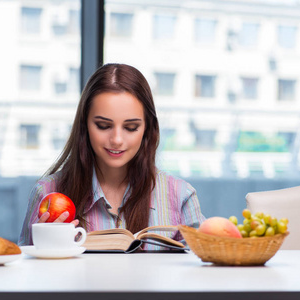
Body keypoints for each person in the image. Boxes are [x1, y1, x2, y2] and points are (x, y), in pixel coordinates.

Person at [18, 63, 205, 249]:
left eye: (131, 128)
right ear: (85, 126)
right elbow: (27, 275)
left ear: (147, 129)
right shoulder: (47, 192)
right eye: (103, 126)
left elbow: (201, 271)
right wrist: (46, 248)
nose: (116, 140)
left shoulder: (181, 196)